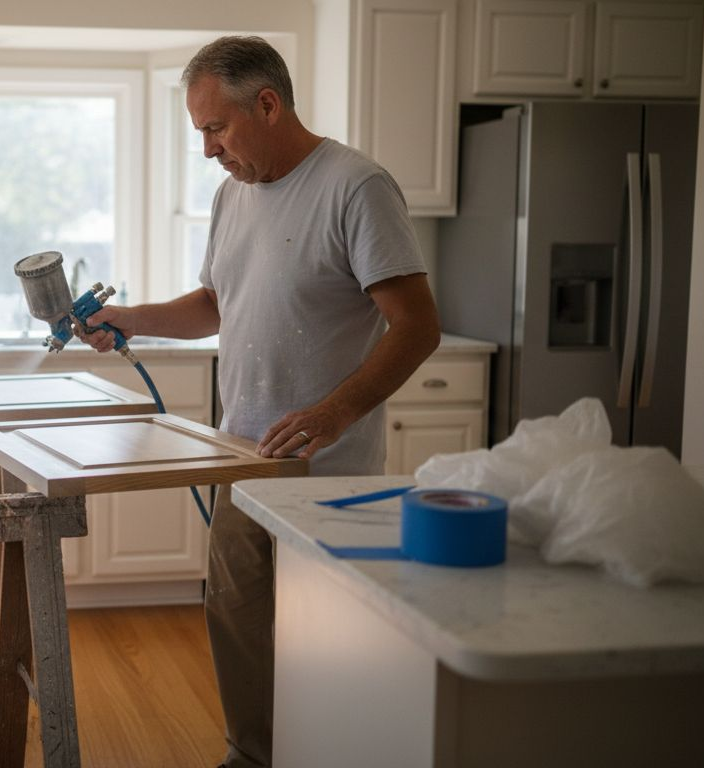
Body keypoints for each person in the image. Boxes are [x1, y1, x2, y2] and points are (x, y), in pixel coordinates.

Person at [77, 36, 441, 768]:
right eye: (202, 133)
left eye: (217, 128)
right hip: (239, 456)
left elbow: (418, 325)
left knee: (332, 642)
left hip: (328, 475)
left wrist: (335, 412)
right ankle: (253, 757)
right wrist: (133, 318)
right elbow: (218, 302)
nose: (209, 149)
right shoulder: (232, 193)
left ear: (267, 104)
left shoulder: (355, 186)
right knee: (240, 624)